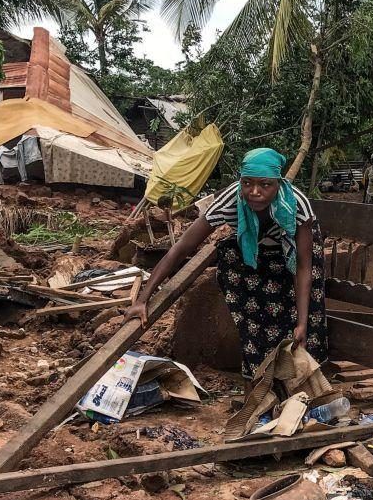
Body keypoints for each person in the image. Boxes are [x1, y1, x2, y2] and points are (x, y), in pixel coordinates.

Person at [125, 148, 328, 379]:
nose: (254, 192)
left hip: (293, 252)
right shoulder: (229, 201)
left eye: (265, 185)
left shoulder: (297, 205)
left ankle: (304, 378)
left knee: (303, 315)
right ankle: (258, 378)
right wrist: (142, 299)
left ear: (278, 184)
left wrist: (301, 322)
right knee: (244, 289)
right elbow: (180, 249)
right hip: (256, 250)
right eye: (247, 183)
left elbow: (303, 267)